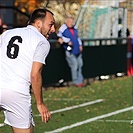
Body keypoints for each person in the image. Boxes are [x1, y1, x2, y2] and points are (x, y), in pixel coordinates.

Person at [0, 8, 55, 133]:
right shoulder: (42, 42)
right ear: (38, 24)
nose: (53, 30)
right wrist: (40, 104)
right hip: (16, 93)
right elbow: (35, 75)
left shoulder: (7, 33)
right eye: (51, 25)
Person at [57, 17, 84, 87]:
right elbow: (59, 37)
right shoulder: (63, 28)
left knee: (80, 64)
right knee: (74, 65)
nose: (71, 23)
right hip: (69, 50)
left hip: (77, 49)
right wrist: (67, 41)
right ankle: (76, 82)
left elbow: (77, 37)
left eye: (72, 22)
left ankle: (80, 80)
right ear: (66, 22)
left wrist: (80, 45)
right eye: (70, 22)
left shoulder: (75, 28)